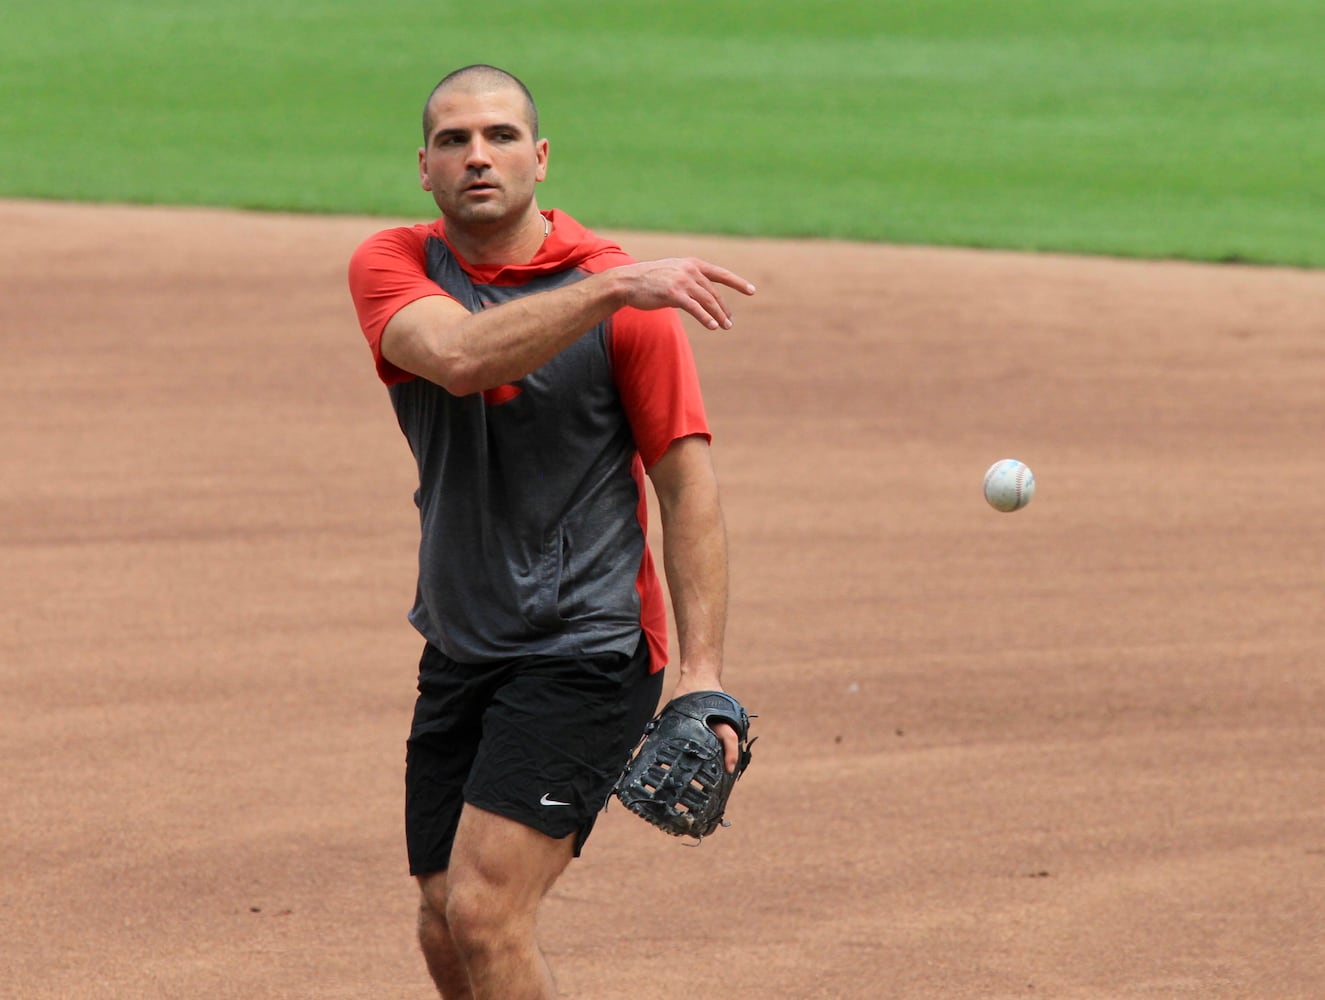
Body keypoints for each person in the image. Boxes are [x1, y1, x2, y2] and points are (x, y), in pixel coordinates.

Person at [346, 64, 754, 999]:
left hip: (588, 642)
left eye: (497, 136)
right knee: (445, 915)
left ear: (540, 157)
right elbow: (451, 355)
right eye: (453, 141)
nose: (475, 156)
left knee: (487, 914)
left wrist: (701, 674)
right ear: (423, 167)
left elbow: (685, 489)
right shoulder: (393, 263)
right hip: (460, 635)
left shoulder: (631, 309)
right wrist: (611, 290)